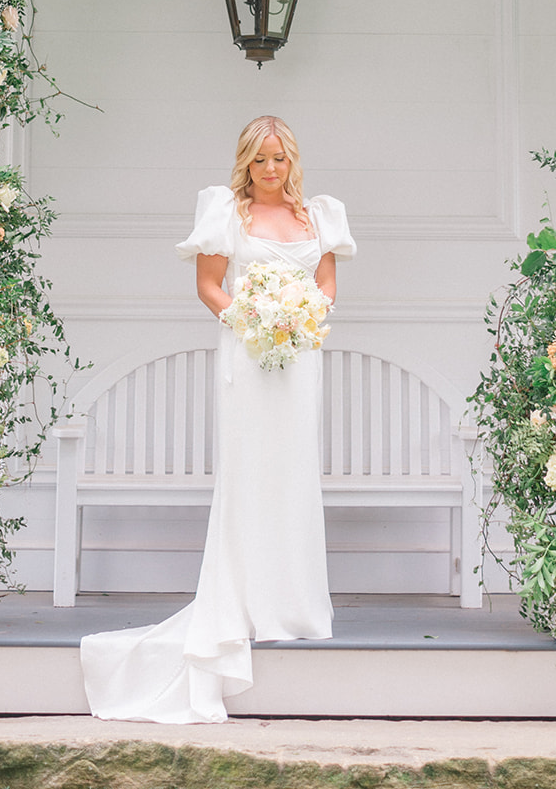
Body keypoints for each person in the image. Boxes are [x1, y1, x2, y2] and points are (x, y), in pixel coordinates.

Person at [80, 115, 356, 722]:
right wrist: (257, 321)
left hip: (300, 356)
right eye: (260, 160)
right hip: (249, 357)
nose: (271, 169)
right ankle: (243, 604)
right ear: (246, 163)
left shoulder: (320, 215)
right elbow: (210, 287)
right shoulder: (224, 212)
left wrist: (300, 316)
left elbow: (327, 284)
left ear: (292, 160)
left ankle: (295, 607)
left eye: (279, 158)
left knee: (293, 474)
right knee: (251, 476)